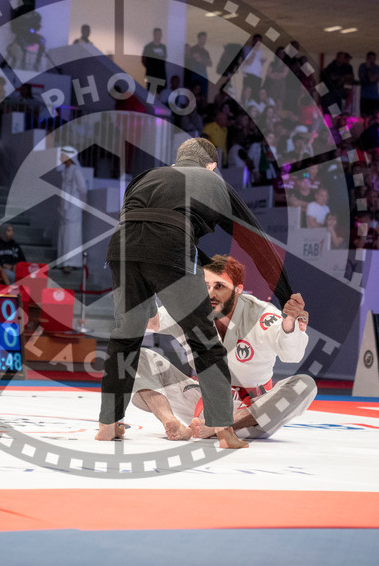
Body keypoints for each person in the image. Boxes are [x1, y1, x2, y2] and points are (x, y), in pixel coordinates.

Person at [98, 137, 292, 448]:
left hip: (120, 248)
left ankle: (108, 424)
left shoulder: (145, 177)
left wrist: (144, 309)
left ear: (177, 159)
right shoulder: (215, 183)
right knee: (205, 340)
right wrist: (286, 294)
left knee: (125, 337)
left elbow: (137, 228)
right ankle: (224, 431)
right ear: (212, 165)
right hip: (171, 245)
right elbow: (257, 244)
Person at [132, 255, 314, 440]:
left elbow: (292, 355)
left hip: (252, 414)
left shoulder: (262, 314)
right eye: (206, 286)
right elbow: (149, 323)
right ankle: (171, 422)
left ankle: (220, 426)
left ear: (238, 290)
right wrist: (146, 291)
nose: (210, 293)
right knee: (137, 357)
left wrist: (289, 324)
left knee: (304, 385)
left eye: (219, 286)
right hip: (203, 405)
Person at [57, 146, 86, 274]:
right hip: (64, 207)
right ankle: (62, 261)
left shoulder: (76, 171)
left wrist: (83, 204)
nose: (60, 158)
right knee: (63, 234)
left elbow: (82, 189)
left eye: (62, 155)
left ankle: (71, 263)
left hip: (74, 208)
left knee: (72, 235)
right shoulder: (64, 171)